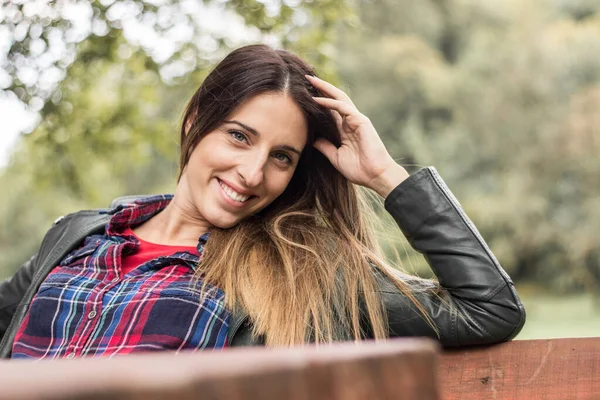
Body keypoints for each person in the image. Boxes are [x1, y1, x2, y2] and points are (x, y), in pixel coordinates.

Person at [0, 44, 525, 359]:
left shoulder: (300, 269)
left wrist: (387, 177)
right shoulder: (78, 236)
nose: (251, 173)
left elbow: (487, 309)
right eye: (239, 136)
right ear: (195, 123)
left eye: (282, 157)